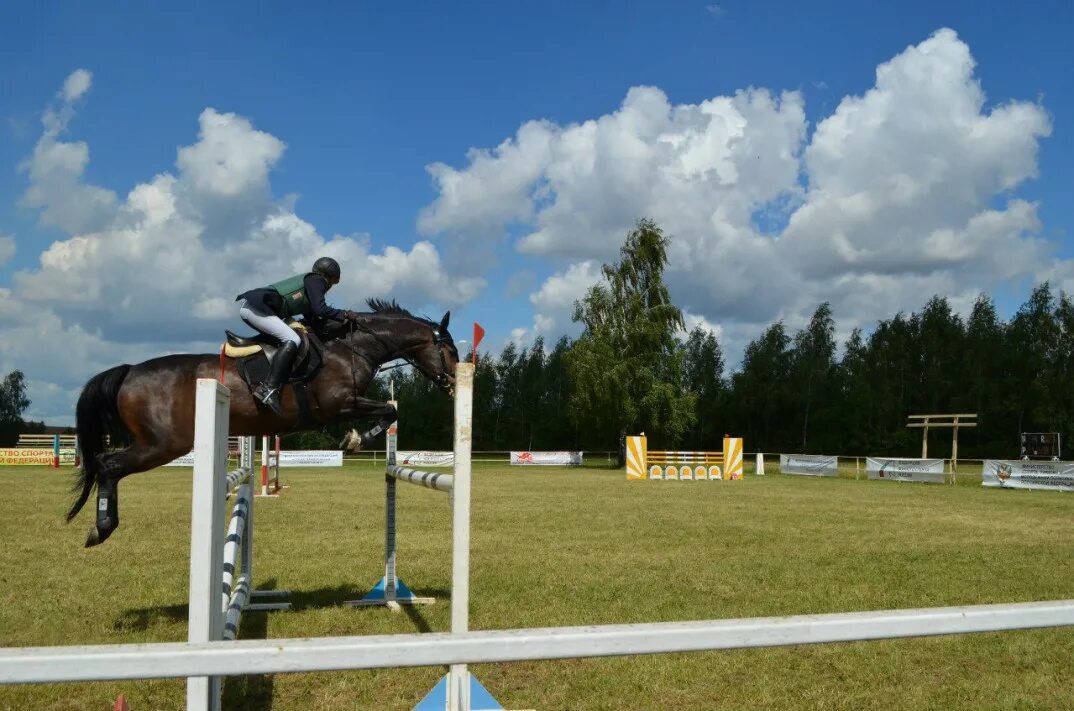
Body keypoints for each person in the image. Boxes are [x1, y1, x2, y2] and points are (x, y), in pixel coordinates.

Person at [235, 257, 358, 414]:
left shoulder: (310, 286)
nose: (330, 287)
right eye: (332, 282)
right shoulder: (316, 280)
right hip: (256, 309)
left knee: (291, 337)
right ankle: (268, 388)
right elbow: (321, 309)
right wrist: (345, 313)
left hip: (256, 309)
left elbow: (314, 317)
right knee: (292, 339)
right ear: (327, 277)